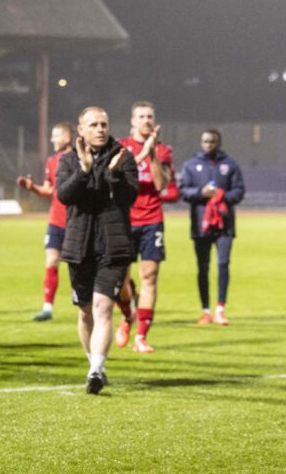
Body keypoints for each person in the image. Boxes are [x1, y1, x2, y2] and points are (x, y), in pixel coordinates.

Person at [56, 107, 138, 395]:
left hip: (113, 247)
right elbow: (64, 195)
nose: (101, 129)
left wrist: (115, 174)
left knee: (104, 307)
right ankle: (94, 363)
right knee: (85, 311)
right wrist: (85, 170)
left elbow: (130, 197)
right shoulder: (68, 160)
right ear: (81, 130)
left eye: (104, 123)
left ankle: (95, 370)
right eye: (94, 124)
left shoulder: (123, 157)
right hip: (78, 248)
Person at [112, 102, 173, 353]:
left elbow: (160, 184)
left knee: (149, 276)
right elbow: (116, 172)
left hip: (151, 220)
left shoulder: (164, 150)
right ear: (132, 121)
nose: (146, 120)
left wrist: (153, 153)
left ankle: (141, 337)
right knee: (119, 280)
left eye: (150, 116)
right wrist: (142, 151)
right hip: (125, 218)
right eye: (141, 117)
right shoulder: (121, 146)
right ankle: (128, 315)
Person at [180, 129, 245, 325]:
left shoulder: (229, 164)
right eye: (206, 141)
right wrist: (201, 192)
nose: (209, 145)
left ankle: (220, 309)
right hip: (201, 224)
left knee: (223, 263)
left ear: (219, 143)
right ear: (201, 142)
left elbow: (239, 191)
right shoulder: (191, 165)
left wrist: (221, 195)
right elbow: (183, 191)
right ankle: (205, 310)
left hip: (224, 224)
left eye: (212, 142)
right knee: (203, 266)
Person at [18, 121, 75, 321]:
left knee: (78, 266)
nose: (52, 139)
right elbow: (49, 190)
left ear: (68, 138)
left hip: (76, 222)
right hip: (56, 221)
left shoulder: (79, 158)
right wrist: (32, 187)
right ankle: (47, 307)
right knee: (51, 261)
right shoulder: (52, 161)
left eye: (56, 135)